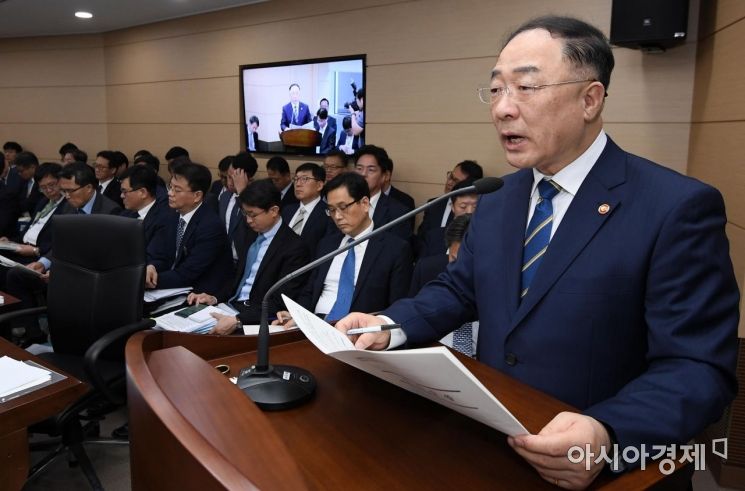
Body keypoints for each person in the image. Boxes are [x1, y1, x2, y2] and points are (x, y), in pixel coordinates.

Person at [334, 15, 739, 489]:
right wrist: (391, 326)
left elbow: (697, 368)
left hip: (604, 471)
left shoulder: (675, 207)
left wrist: (607, 433)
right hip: (493, 450)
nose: (503, 109)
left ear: (590, 99)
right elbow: (459, 289)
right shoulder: (498, 197)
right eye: (496, 90)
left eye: (525, 88)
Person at [275, 172, 412, 324]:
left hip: (358, 330)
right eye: (332, 210)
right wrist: (296, 314)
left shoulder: (394, 249)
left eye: (343, 207)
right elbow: (310, 291)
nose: (338, 216)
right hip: (314, 324)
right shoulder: (327, 244)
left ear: (365, 204)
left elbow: (397, 307)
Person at [186, 179, 310, 334]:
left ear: (273, 211)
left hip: (255, 317)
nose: (248, 220)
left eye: (253, 214)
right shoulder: (250, 232)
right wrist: (214, 298)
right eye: (245, 213)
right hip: (229, 307)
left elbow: (279, 302)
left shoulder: (294, 247)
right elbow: (239, 278)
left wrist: (238, 320)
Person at [145, 161, 233, 294]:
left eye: (177, 190)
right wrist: (151, 267)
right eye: (170, 187)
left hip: (200, 293)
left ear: (197, 196)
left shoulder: (211, 226)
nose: (170, 193)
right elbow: (159, 254)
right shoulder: (170, 214)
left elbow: (188, 273)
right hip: (174, 285)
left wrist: (147, 281)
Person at [355, 145, 413, 241]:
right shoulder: (342, 204)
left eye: (371, 170)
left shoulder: (398, 213)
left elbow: (397, 251)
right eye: (359, 168)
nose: (363, 174)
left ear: (385, 176)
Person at [119, 165, 173, 266]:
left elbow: (155, 259)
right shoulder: (125, 214)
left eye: (125, 191)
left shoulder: (164, 219)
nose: (121, 196)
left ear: (143, 192)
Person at [418, 160, 483, 237]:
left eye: (456, 181)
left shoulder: (481, 209)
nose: (449, 182)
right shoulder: (433, 204)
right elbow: (421, 238)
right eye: (451, 176)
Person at [417, 179, 478, 258]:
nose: (469, 212)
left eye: (476, 207)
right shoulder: (433, 238)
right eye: (463, 206)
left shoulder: (493, 238)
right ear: (452, 207)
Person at [281, 162, 333, 248]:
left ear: (319, 185)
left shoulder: (329, 214)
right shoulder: (287, 210)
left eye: (304, 179)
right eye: (296, 179)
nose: (298, 184)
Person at [14, 151, 42, 216]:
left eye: (21, 171)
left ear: (32, 167)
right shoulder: (22, 181)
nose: (19, 174)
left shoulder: (43, 181)